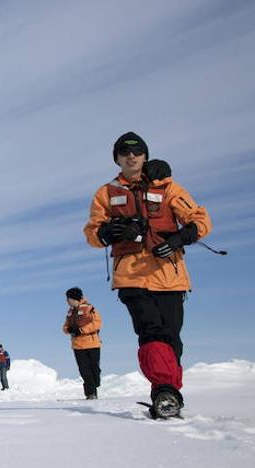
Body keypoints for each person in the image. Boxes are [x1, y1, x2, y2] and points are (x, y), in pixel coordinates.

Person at [84, 132, 211, 418]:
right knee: (150, 331)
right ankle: (163, 390)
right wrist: (107, 232)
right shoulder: (105, 193)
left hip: (170, 276)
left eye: (138, 151)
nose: (132, 156)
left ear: (145, 156)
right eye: (125, 152)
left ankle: (169, 394)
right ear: (116, 158)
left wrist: (181, 237)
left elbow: (201, 221)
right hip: (130, 276)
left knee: (171, 337)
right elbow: (92, 233)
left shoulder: (168, 187)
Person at [63, 287, 102, 400]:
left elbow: (97, 323)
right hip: (78, 346)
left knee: (94, 369)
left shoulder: (90, 308)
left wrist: (81, 330)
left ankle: (95, 385)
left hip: (92, 344)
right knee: (84, 370)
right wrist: (69, 330)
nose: (67, 301)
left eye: (68, 298)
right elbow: (64, 327)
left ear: (74, 298)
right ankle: (90, 393)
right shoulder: (70, 313)